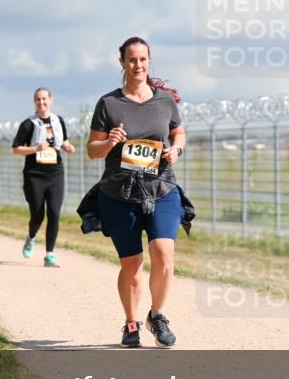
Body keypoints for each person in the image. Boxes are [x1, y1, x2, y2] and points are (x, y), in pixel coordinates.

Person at [85, 36, 192, 348]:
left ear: (149, 61)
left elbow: (179, 131)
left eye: (143, 59)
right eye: (131, 59)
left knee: (163, 254)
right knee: (131, 264)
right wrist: (109, 142)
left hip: (162, 188)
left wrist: (177, 149)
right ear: (122, 63)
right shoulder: (109, 104)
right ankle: (131, 324)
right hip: (120, 193)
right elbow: (92, 150)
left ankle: (157, 315)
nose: (138, 65)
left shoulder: (164, 101)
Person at [11, 88, 76, 267]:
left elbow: (64, 141)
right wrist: (35, 149)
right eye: (38, 99)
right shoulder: (28, 124)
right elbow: (16, 149)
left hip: (55, 172)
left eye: (44, 99)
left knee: (54, 213)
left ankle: (49, 254)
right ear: (34, 102)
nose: (41, 102)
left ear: (51, 100)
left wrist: (69, 147)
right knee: (38, 214)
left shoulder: (58, 121)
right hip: (34, 174)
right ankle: (31, 237)